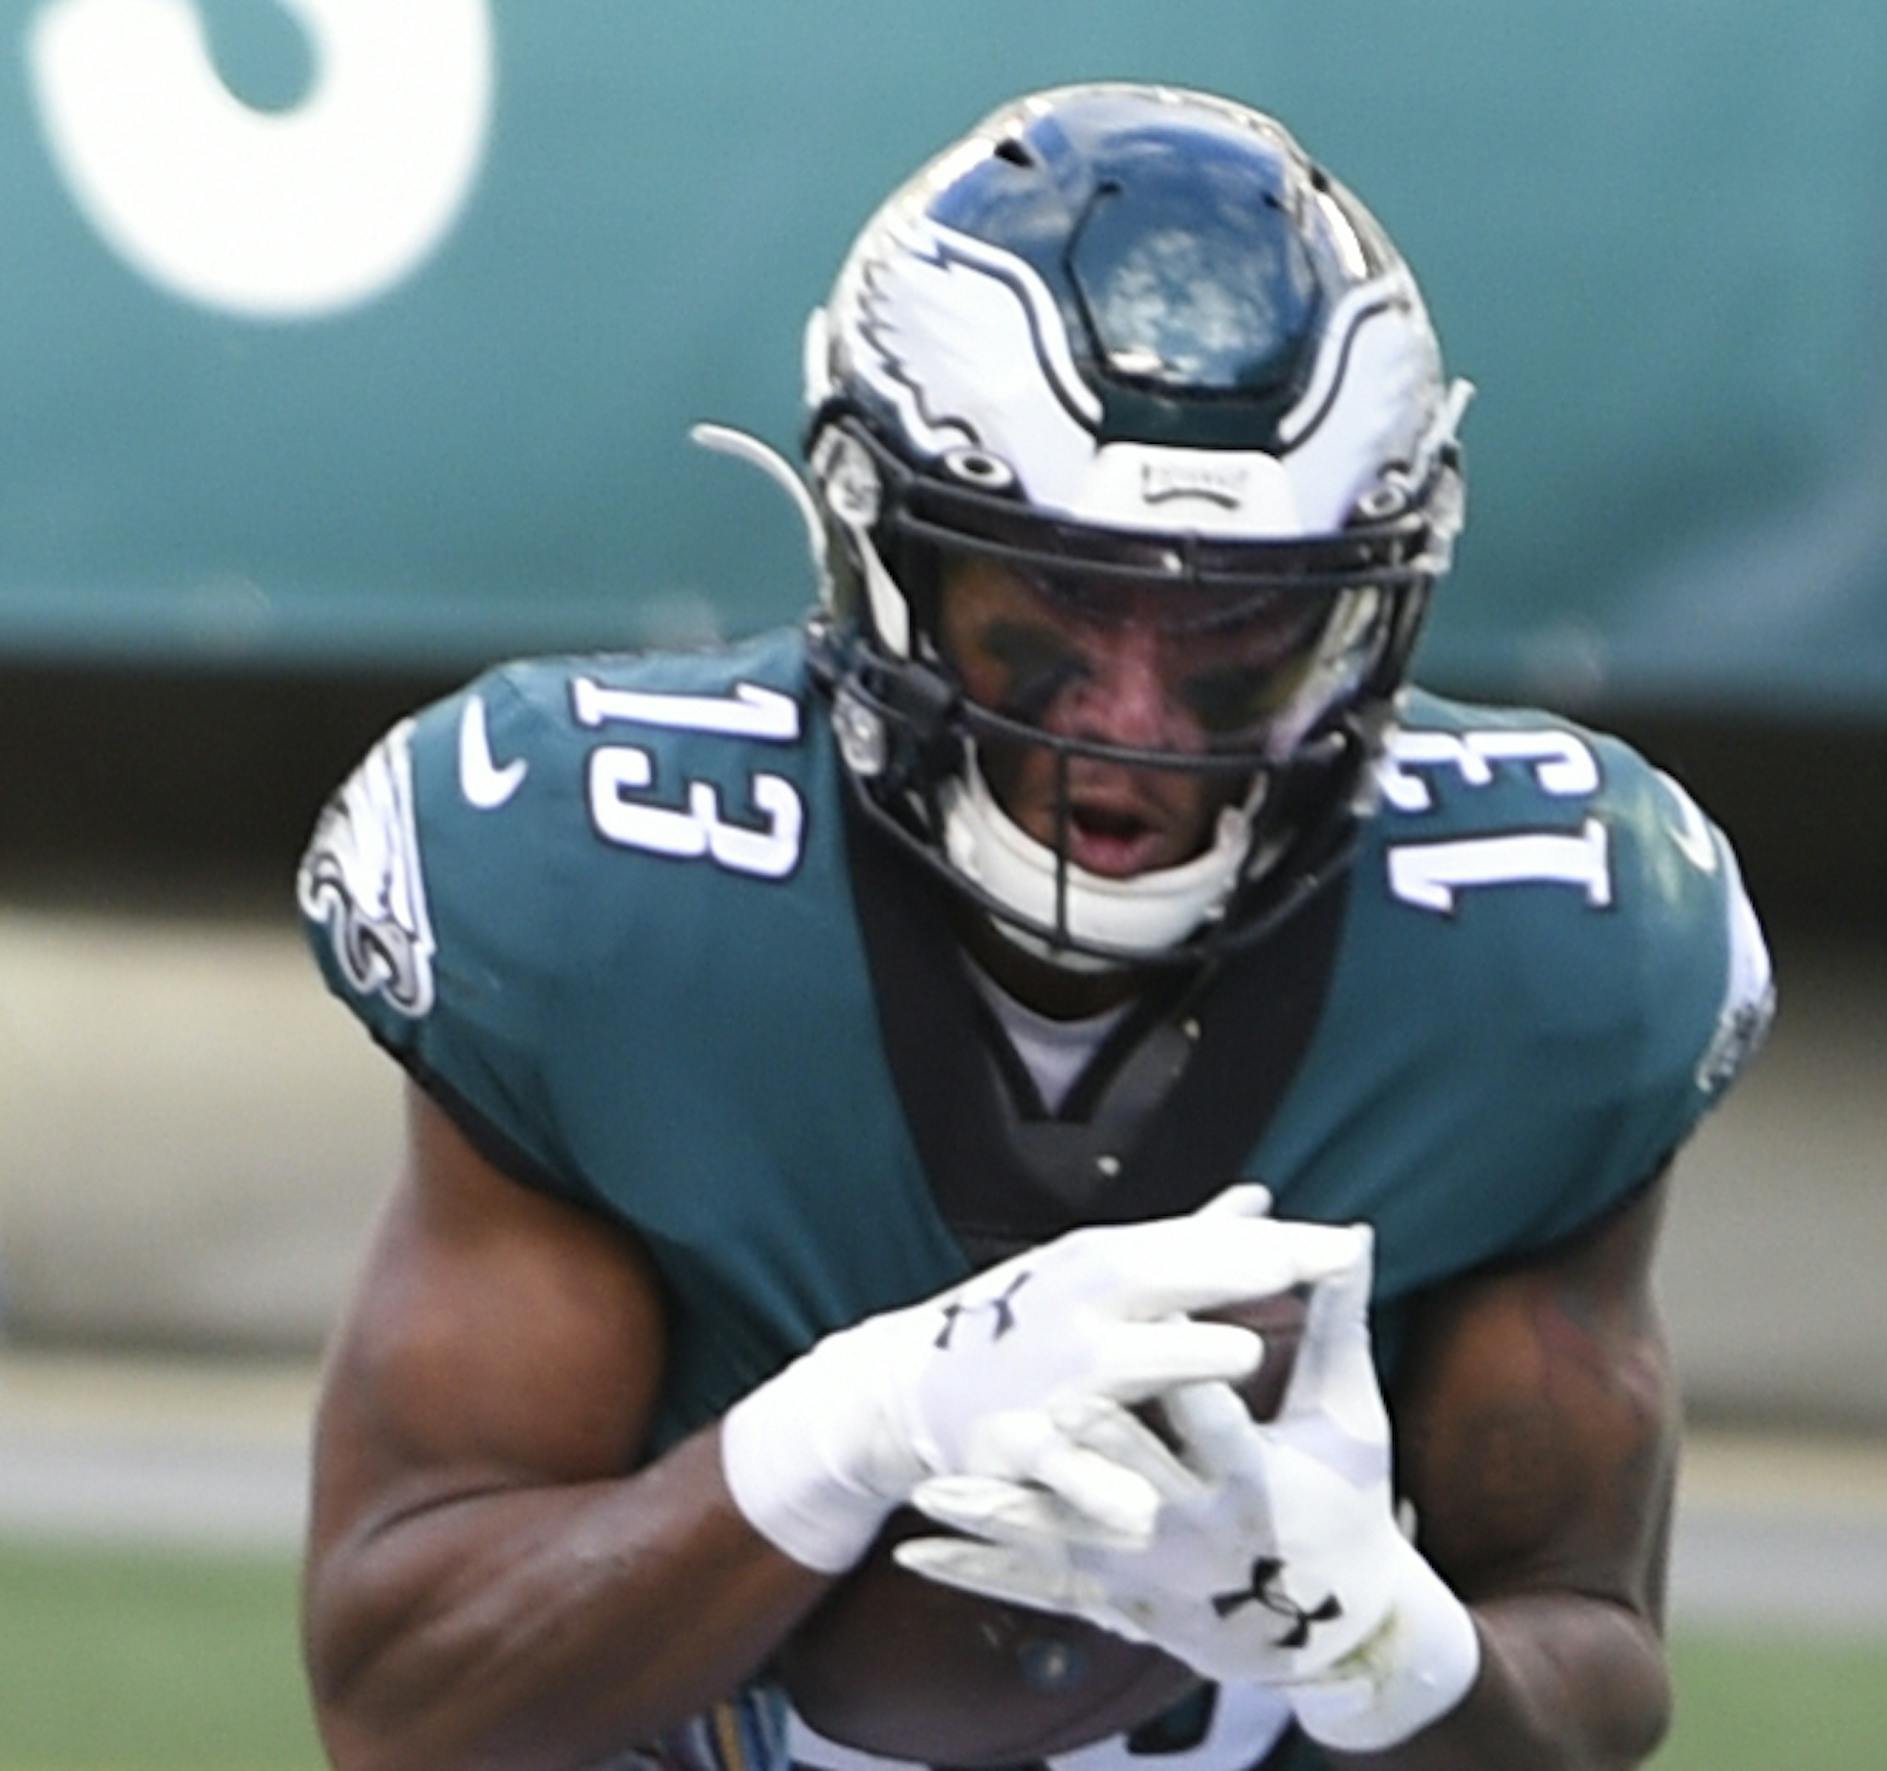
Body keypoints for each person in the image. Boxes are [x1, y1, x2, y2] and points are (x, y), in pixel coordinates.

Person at [296, 82, 1773, 1771]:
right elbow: (404, 1704)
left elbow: (1587, 1658)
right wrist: (860, 1430)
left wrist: (1381, 1643)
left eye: (1243, 629)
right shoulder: (589, 898)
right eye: (1053, 606)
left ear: (1372, 614)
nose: (1138, 725)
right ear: (880, 548)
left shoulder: (1560, 954)